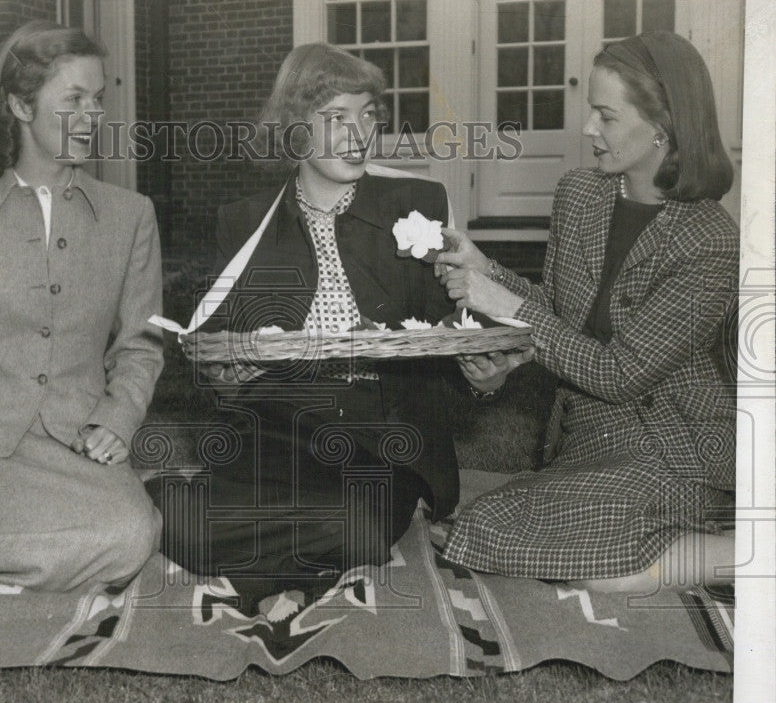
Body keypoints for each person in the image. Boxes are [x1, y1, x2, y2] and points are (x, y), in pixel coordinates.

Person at [148, 43, 527, 612]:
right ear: (293, 129)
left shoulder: (416, 203)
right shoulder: (245, 222)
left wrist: (485, 377)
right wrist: (232, 375)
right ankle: (287, 549)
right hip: (280, 433)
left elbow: (456, 329)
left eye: (368, 115)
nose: (358, 135)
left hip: (383, 442)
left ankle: (267, 558)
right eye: (335, 119)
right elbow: (226, 363)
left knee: (357, 527)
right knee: (172, 517)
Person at [435, 31, 737, 592]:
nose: (588, 130)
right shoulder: (581, 193)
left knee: (591, 569)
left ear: (663, 127)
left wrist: (514, 308)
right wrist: (484, 267)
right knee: (481, 529)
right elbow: (562, 312)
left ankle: (745, 551)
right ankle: (674, 547)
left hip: (673, 446)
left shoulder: (709, 240)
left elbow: (620, 373)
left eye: (607, 116)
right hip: (587, 437)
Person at [0, 21, 163, 590]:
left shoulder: (130, 214)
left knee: (135, 532)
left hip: (78, 439)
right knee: (116, 539)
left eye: (98, 100)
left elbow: (141, 344)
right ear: (19, 105)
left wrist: (119, 418)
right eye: (73, 100)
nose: (93, 116)